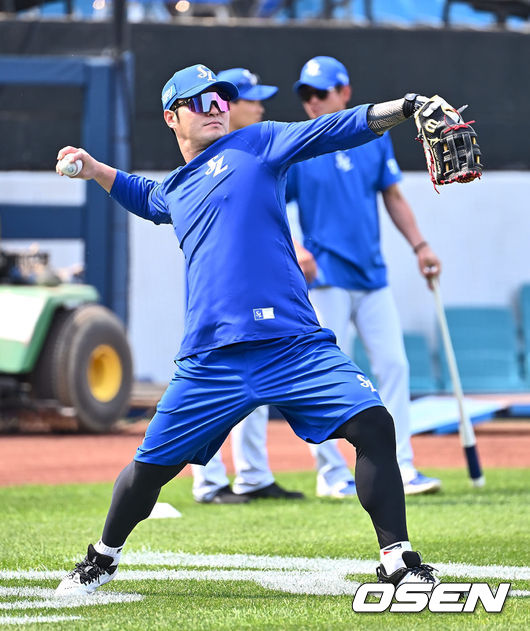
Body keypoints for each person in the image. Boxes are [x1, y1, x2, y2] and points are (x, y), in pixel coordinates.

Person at [54, 63, 440, 596]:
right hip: (212, 359)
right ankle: (102, 557)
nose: (217, 108)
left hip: (293, 345)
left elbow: (333, 129)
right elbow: (148, 199)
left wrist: (401, 107)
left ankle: (398, 558)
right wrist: (97, 169)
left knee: (374, 425)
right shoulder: (179, 188)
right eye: (201, 102)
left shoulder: (258, 143)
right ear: (172, 117)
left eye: (220, 100)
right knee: (149, 471)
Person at [288, 56, 442, 498]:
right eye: (306, 95)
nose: (313, 102)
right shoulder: (300, 144)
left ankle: (403, 467)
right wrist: (296, 248)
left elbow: (393, 196)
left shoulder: (374, 138)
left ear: (345, 92)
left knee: (394, 366)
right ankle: (331, 473)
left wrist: (421, 246)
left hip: (372, 275)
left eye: (321, 93)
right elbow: (273, 204)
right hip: (326, 277)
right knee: (327, 374)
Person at [191, 67, 304, 503]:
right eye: (250, 98)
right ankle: (210, 481)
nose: (259, 106)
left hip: (256, 289)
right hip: (218, 293)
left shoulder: (259, 148)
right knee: (213, 383)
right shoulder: (207, 158)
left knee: (256, 381)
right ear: (227, 107)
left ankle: (253, 476)